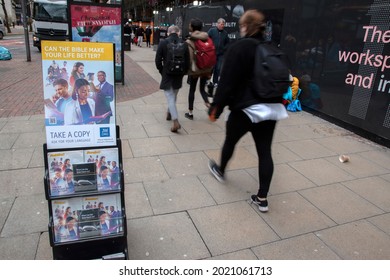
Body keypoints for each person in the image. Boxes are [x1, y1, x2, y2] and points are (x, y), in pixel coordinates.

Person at [208, 10, 288, 213]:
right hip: (271, 109)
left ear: (245, 27)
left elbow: (226, 82)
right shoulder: (270, 47)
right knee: (265, 152)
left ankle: (220, 170)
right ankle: (262, 198)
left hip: (245, 108)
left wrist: (216, 108)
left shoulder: (240, 47)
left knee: (230, 141)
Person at [155, 25, 190, 132]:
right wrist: (183, 73)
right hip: (178, 74)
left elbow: (157, 61)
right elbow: (188, 62)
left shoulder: (163, 43)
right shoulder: (184, 44)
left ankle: (175, 121)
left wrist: (162, 71)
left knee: (170, 97)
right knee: (173, 96)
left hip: (167, 74)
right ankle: (169, 113)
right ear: (178, 33)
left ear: (168, 33)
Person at [185, 18, 212, 120]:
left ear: (192, 27)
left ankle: (190, 113)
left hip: (196, 69)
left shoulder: (190, 40)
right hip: (206, 68)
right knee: (202, 90)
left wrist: (188, 71)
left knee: (192, 90)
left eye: (190, 25)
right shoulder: (206, 37)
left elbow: (190, 58)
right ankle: (209, 106)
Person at [208, 18, 230, 87]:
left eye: (223, 24)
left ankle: (215, 82)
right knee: (210, 68)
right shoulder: (212, 31)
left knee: (218, 68)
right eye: (221, 24)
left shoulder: (225, 33)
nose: (222, 26)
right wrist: (210, 47)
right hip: (212, 53)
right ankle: (207, 80)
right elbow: (207, 39)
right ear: (218, 24)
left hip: (220, 54)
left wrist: (224, 48)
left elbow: (227, 43)